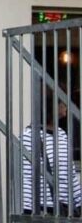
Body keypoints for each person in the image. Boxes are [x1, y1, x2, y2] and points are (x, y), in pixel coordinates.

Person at [22, 85, 82, 215]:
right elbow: (27, 176)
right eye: (64, 101)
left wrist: (78, 203)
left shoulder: (61, 134)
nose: (67, 105)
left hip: (65, 209)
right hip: (42, 208)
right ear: (53, 105)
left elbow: (69, 172)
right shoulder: (29, 135)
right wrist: (30, 210)